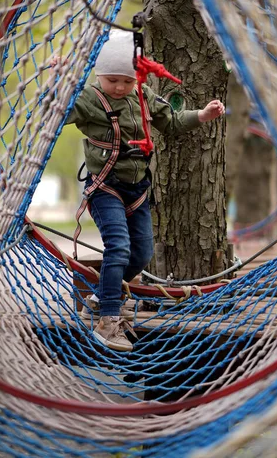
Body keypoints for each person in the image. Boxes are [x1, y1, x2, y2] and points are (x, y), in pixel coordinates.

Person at [53, 30, 225, 352]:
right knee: (118, 246)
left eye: (126, 81)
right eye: (112, 80)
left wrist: (202, 115)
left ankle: (100, 295)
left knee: (142, 253)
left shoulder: (143, 96)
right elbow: (60, 112)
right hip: (105, 187)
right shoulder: (91, 99)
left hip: (138, 190)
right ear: (99, 75)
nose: (119, 87)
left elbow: (171, 122)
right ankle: (108, 319)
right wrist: (60, 77)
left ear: (137, 79)